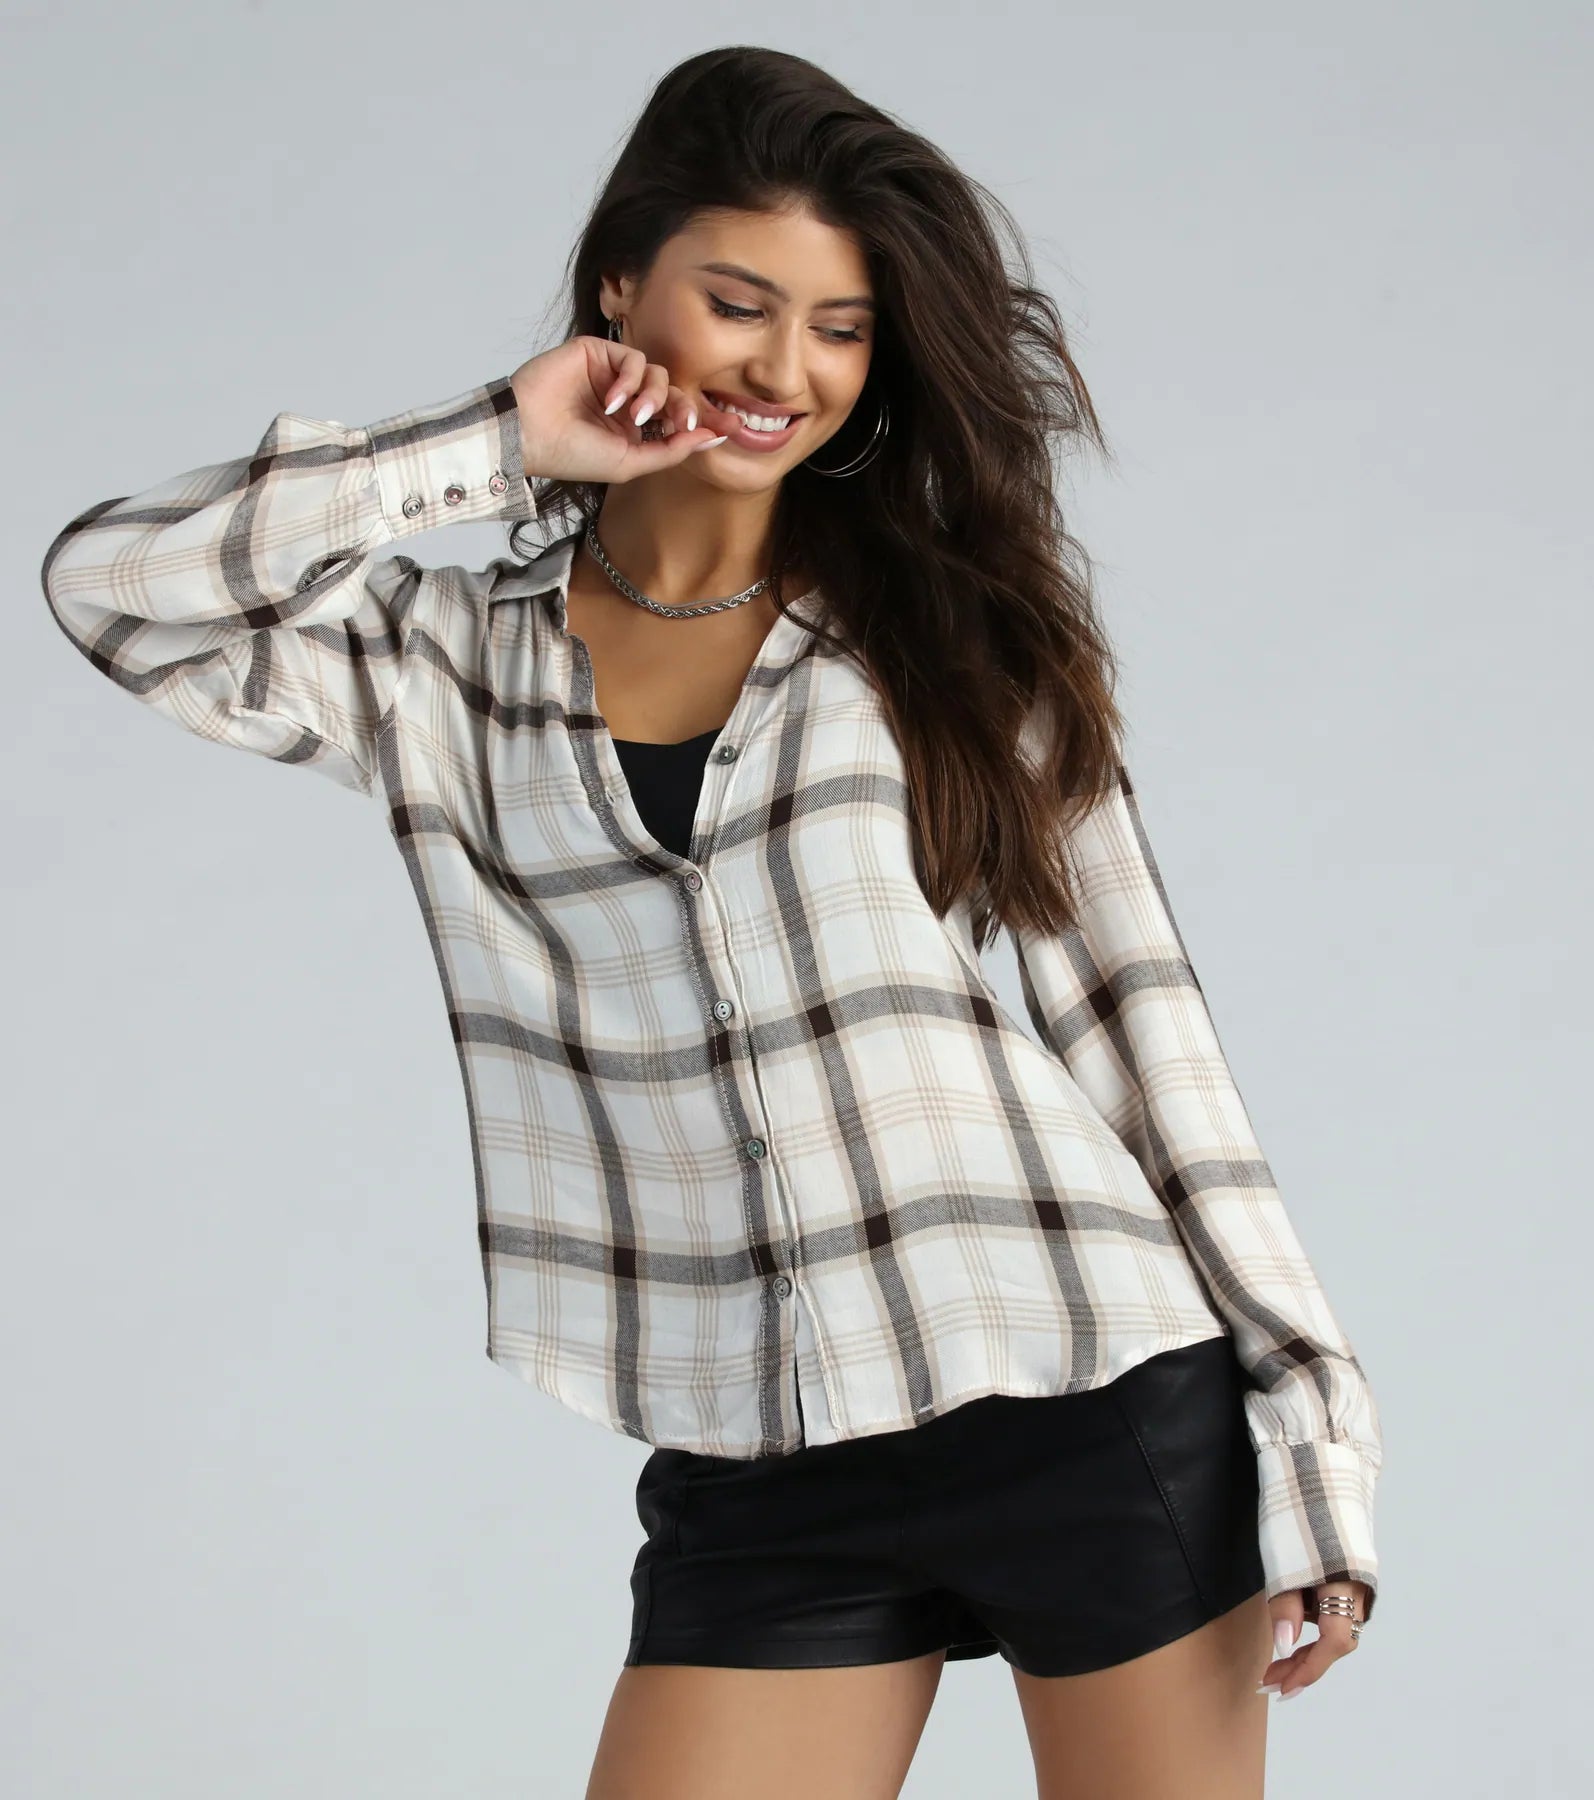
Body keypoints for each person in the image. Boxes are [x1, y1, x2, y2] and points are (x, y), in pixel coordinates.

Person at [40, 44, 1381, 1800]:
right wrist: (499, 441)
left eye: (839, 328)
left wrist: (1312, 1430)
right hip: (762, 1452)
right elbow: (113, 589)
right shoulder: (445, 664)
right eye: (738, 304)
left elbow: (1138, 1027)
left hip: (1091, 1397)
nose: (783, 368)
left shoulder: (947, 638)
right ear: (623, 285)